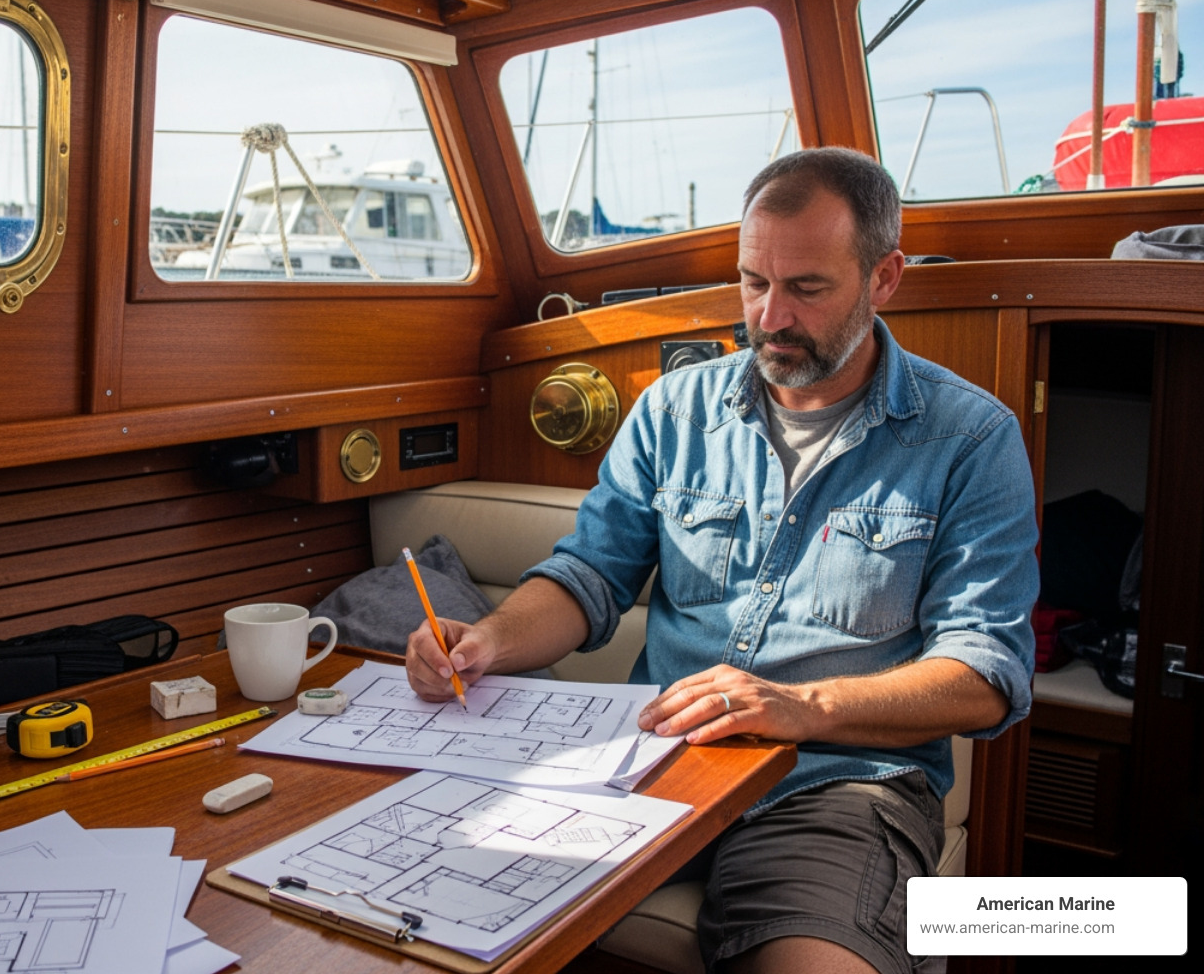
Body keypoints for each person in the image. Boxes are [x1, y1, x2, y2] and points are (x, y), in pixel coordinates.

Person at [404, 147, 1038, 974]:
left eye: (806, 288)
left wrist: (801, 706)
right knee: (416, 901)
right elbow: (589, 577)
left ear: (884, 278)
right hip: (645, 764)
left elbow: (986, 675)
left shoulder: (972, 439)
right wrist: (488, 641)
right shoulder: (673, 410)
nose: (770, 316)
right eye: (753, 282)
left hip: (834, 789)